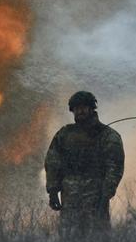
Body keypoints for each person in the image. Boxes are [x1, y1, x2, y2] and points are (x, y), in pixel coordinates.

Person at [44, 91, 124, 231]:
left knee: (98, 238)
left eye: (83, 107)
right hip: (69, 197)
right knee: (69, 238)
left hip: (96, 197)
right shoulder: (65, 134)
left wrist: (106, 194)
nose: (79, 111)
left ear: (91, 108)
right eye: (76, 108)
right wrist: (52, 191)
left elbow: (114, 167)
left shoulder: (108, 136)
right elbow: (52, 162)